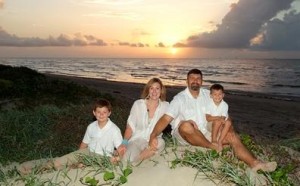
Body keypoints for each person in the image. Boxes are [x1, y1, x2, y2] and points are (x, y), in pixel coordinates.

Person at [149, 69, 277, 172]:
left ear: (202, 81)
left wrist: (227, 130)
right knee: (186, 126)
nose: (195, 81)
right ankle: (213, 147)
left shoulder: (208, 94)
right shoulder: (180, 98)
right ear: (187, 81)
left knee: (231, 135)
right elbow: (166, 118)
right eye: (192, 78)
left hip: (206, 133)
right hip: (185, 135)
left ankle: (255, 164)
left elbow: (222, 114)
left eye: (198, 78)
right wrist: (153, 135)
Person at [19, 99, 123, 173]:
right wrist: (78, 156)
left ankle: (76, 166)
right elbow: (84, 144)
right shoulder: (91, 126)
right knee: (59, 162)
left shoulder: (114, 129)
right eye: (98, 112)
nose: (101, 114)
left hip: (102, 157)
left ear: (109, 113)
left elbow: (121, 149)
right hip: (87, 152)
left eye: (104, 112)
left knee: (79, 166)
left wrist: (116, 159)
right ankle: (34, 171)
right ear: (94, 113)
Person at [118, 78, 169, 162]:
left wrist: (188, 122)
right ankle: (138, 158)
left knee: (161, 143)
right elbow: (130, 126)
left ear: (161, 91)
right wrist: (124, 143)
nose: (154, 91)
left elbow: (175, 120)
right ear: (148, 90)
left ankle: (138, 159)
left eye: (157, 88)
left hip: (153, 141)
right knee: (127, 159)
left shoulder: (166, 106)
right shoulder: (138, 104)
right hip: (136, 140)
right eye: (151, 88)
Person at [205, 83, 231, 152]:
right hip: (211, 125)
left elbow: (223, 118)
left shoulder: (225, 105)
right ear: (211, 95)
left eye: (219, 94)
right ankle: (214, 140)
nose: (217, 96)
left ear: (223, 95)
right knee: (217, 121)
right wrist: (217, 117)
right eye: (215, 94)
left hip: (221, 124)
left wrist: (220, 119)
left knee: (228, 122)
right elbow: (208, 118)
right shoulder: (209, 104)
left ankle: (220, 140)